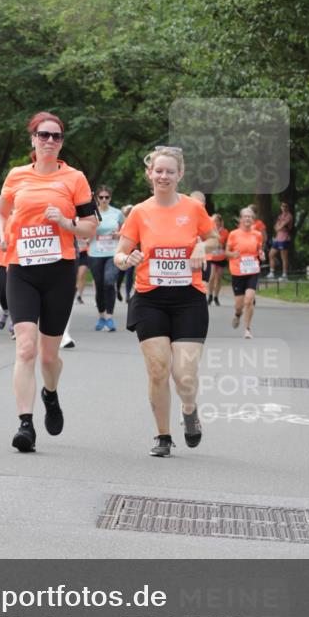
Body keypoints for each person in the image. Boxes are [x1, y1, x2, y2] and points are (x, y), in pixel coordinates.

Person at [0, 112, 97, 452]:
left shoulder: (74, 178)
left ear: (61, 142)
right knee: (25, 348)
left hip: (59, 270)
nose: (50, 141)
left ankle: (51, 394)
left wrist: (66, 221)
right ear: (32, 140)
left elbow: (90, 225)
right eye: (43, 135)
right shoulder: (17, 176)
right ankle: (25, 424)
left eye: (56, 136)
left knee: (49, 357)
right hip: (21, 267)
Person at [113, 147, 219, 458]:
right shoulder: (140, 212)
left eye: (170, 171)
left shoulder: (193, 208)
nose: (163, 176)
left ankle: (189, 409)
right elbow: (120, 254)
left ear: (179, 175)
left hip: (188, 299)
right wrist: (126, 258)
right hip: (150, 298)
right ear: (150, 174)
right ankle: (163, 435)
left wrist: (202, 244)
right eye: (158, 170)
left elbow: (214, 239)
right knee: (158, 369)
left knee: (184, 374)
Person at [88, 185, 124, 331]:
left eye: (107, 197)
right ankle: (101, 316)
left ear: (110, 198)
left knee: (109, 282)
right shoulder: (92, 213)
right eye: (101, 197)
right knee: (100, 285)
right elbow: (84, 231)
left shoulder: (117, 213)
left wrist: (119, 234)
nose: (104, 200)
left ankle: (109, 317)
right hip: (95, 252)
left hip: (112, 252)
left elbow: (125, 230)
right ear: (97, 198)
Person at [226, 207, 265, 339]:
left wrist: (262, 254)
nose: (247, 218)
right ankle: (237, 314)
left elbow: (259, 251)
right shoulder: (233, 234)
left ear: (253, 219)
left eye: (250, 216)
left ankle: (247, 329)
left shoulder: (257, 235)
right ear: (241, 219)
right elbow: (226, 252)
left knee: (249, 300)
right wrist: (233, 254)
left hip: (253, 270)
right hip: (237, 271)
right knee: (239, 305)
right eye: (245, 216)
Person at [207, 212, 229, 305]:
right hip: (213, 256)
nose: (214, 222)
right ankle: (210, 295)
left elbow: (225, 244)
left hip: (221, 257)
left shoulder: (225, 232)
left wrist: (221, 245)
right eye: (213, 220)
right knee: (212, 277)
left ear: (220, 222)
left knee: (219, 278)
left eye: (216, 220)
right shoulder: (210, 230)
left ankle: (216, 296)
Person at [268, 201, 293, 280]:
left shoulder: (289, 216)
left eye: (285, 206)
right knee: (271, 254)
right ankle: (272, 272)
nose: (284, 207)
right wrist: (279, 227)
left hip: (284, 238)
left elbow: (282, 226)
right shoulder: (280, 216)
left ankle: (284, 275)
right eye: (282, 206)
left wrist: (279, 226)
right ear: (281, 207)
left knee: (284, 257)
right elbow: (276, 227)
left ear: (288, 207)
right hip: (277, 238)